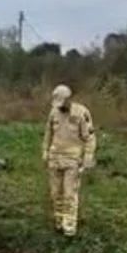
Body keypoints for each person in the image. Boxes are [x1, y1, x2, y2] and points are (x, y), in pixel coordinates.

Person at [41, 84, 96, 237]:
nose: (61, 107)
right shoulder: (54, 112)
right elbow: (48, 133)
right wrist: (45, 151)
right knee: (55, 193)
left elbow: (89, 138)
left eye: (63, 103)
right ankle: (58, 221)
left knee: (69, 193)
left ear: (69, 99)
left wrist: (87, 158)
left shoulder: (81, 113)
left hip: (72, 160)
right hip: (55, 158)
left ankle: (69, 226)